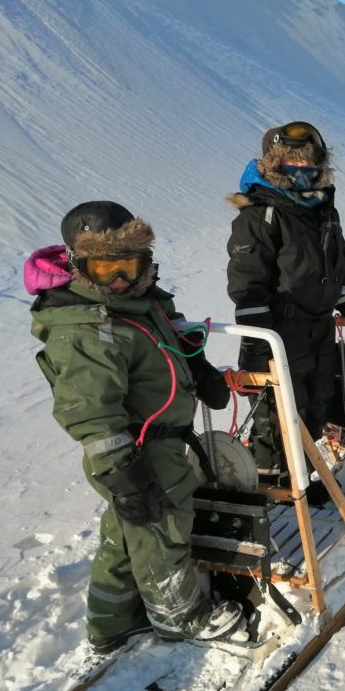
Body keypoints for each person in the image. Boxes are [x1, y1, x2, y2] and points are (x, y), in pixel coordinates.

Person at [27, 201, 244, 656]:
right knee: (162, 529)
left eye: (129, 265)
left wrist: (200, 369)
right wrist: (123, 473)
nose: (120, 278)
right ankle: (179, 619)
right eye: (105, 268)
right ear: (78, 264)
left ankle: (112, 621)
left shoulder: (142, 298)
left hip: (156, 441)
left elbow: (176, 333)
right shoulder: (85, 325)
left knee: (128, 531)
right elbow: (90, 411)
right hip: (131, 450)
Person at [226, 121, 345, 476]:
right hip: (279, 330)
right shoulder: (260, 215)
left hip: (320, 327)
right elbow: (248, 284)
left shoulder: (323, 211)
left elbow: (340, 273)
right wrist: (256, 343)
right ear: (273, 166)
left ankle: (305, 482)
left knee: (317, 405)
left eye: (307, 162)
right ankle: (275, 490)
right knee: (277, 414)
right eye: (290, 162)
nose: (300, 169)